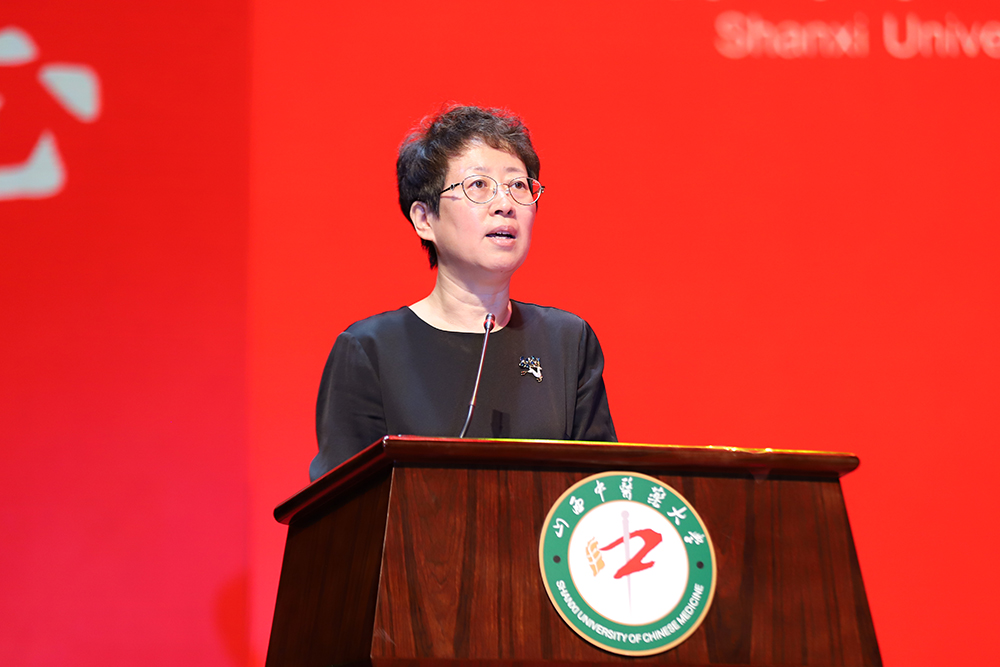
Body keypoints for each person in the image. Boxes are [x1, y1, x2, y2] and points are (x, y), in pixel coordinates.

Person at [309, 105, 616, 481]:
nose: (505, 205)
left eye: (519, 186)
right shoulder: (370, 349)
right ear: (424, 219)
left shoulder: (567, 341)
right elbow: (345, 503)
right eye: (479, 186)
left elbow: (599, 491)